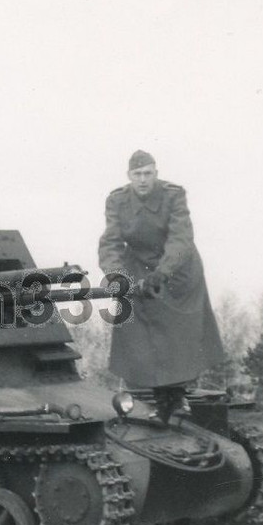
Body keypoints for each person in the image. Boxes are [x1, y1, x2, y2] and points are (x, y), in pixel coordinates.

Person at [97, 149, 225, 423]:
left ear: (156, 173)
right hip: (138, 266)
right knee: (139, 331)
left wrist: (160, 274)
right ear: (129, 176)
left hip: (178, 270)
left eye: (148, 173)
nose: (143, 180)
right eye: (137, 174)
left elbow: (180, 240)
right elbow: (111, 242)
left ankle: (177, 397)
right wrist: (116, 275)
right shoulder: (117, 201)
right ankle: (159, 399)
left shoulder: (173, 195)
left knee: (178, 334)